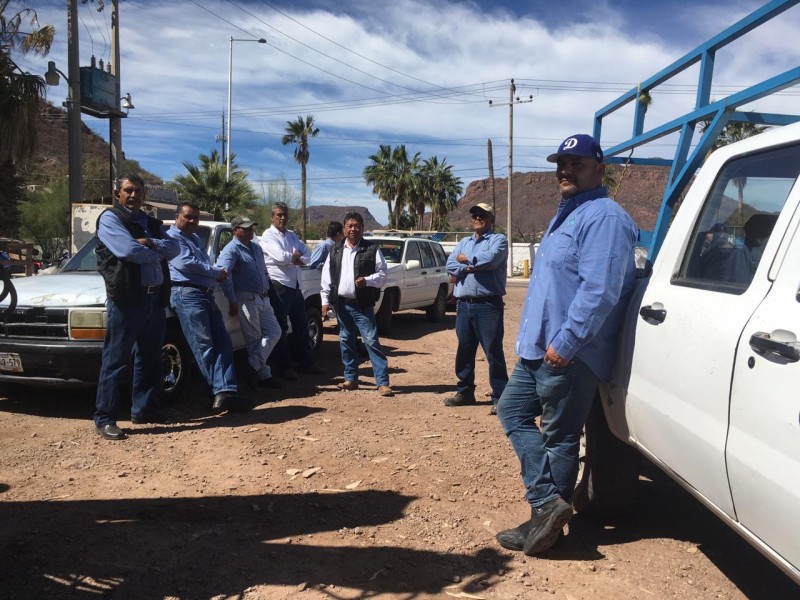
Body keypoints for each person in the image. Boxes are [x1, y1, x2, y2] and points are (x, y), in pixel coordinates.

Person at [495, 135, 637, 555]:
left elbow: (600, 291)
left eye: (575, 163)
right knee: (511, 410)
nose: (564, 170)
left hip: (570, 353)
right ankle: (547, 506)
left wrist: (567, 342)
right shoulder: (569, 215)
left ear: (599, 169)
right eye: (561, 163)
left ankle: (546, 526)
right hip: (539, 349)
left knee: (559, 437)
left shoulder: (605, 218)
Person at [94, 173, 180, 440]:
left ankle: (143, 410)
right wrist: (157, 250)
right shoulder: (110, 219)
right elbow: (128, 252)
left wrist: (152, 243)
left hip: (154, 299)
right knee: (116, 360)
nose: (133, 195)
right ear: (117, 194)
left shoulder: (151, 223)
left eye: (138, 191)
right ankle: (105, 418)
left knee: (150, 358)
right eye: (128, 190)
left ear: (144, 195)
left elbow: (175, 247)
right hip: (127, 299)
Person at [166, 202, 249, 413]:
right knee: (204, 345)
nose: (192, 221)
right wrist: (215, 273)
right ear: (177, 216)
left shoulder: (193, 239)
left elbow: (202, 264)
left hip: (205, 295)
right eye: (187, 217)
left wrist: (214, 274)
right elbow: (186, 264)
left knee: (223, 342)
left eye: (195, 217)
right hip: (187, 294)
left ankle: (227, 391)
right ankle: (221, 392)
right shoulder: (171, 238)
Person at [444, 202, 509, 413]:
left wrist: (467, 262)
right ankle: (465, 392)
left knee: (493, 351)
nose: (478, 218)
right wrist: (470, 265)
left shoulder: (499, 240)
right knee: (464, 350)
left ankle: (500, 397)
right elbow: (450, 265)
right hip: (464, 305)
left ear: (491, 219)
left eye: (482, 215)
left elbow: (491, 260)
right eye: (475, 215)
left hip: (488, 305)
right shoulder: (464, 241)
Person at [321, 211, 393, 397]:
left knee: (371, 340)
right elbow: (326, 277)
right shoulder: (335, 250)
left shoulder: (371, 249)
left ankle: (382, 383)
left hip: (362, 304)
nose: (353, 229)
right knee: (346, 340)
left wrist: (367, 281)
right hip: (342, 304)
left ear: (362, 228)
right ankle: (351, 378)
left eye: (357, 226)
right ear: (344, 228)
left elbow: (383, 275)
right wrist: (325, 301)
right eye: (349, 226)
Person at [217, 216, 283, 391]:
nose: (250, 231)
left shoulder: (255, 247)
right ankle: (264, 376)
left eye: (251, 227)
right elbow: (224, 275)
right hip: (246, 299)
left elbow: (263, 272)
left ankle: (250, 367)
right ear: (235, 230)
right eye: (245, 228)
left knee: (274, 332)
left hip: (263, 298)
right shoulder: (231, 250)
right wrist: (232, 299)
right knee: (254, 340)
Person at [259, 202, 324, 379]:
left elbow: (308, 255)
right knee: (280, 327)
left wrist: (294, 258)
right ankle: (284, 367)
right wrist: (293, 257)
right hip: (279, 285)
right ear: (272, 217)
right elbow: (280, 258)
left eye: (285, 214)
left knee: (301, 325)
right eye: (279, 214)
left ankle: (306, 362)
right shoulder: (268, 236)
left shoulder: (291, 235)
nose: (282, 218)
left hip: (295, 285)